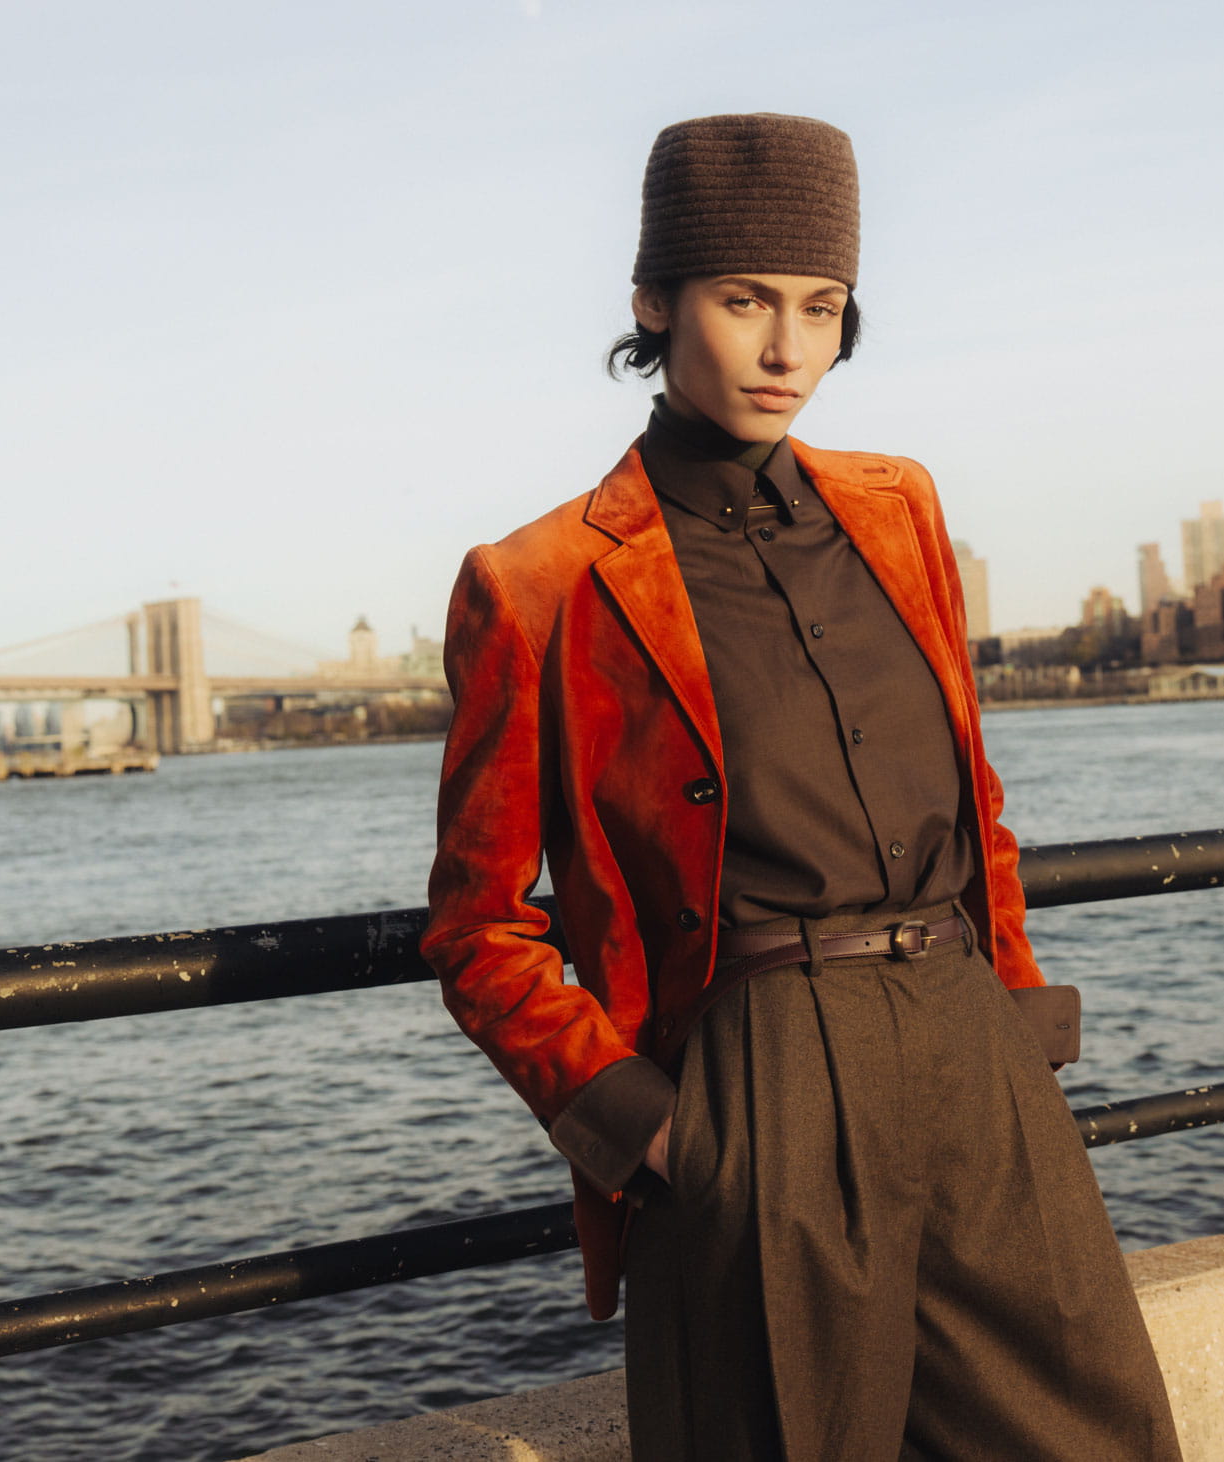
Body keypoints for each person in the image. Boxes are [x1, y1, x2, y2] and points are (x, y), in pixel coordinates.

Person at [423, 112, 1180, 1461]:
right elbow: (479, 925)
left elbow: (976, 805)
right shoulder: (540, 582)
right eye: (743, 300)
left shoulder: (898, 509)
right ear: (653, 304)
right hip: (754, 1085)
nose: (788, 348)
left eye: (821, 307)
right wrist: (656, 1133)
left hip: (972, 1057)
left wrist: (1018, 1030)